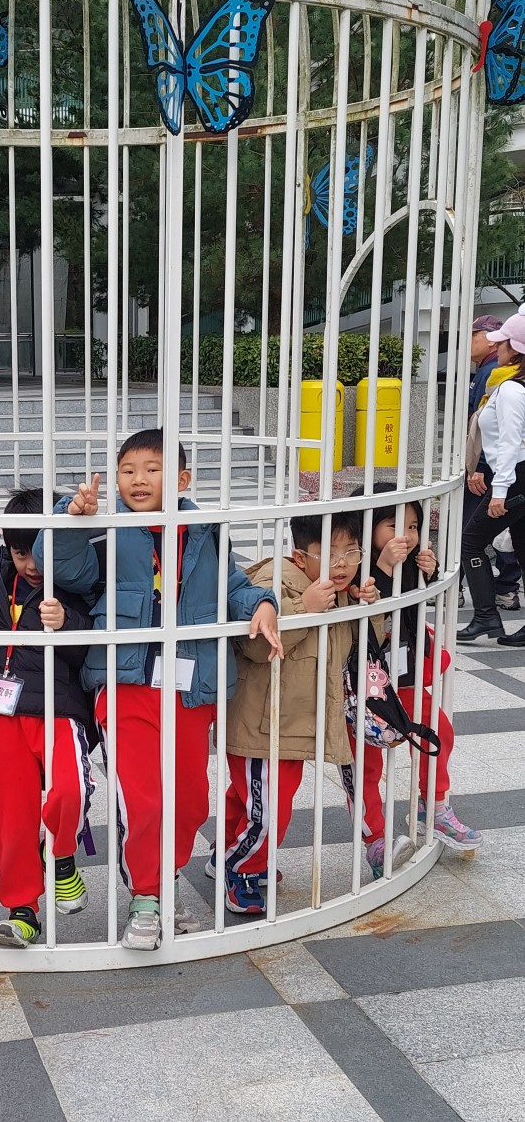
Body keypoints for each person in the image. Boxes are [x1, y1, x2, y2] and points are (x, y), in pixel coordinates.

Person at [36, 427, 283, 950]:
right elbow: (60, 566)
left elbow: (233, 586)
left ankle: (163, 879)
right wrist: (72, 517)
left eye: (153, 469)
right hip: (125, 682)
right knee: (142, 798)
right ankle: (146, 897)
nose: (138, 479)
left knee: (190, 800)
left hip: (189, 686)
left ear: (182, 479)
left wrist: (263, 604)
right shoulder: (107, 528)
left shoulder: (205, 530)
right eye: (127, 471)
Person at [219, 510, 395, 914]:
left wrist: (369, 609)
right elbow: (257, 647)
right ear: (300, 556)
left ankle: (229, 852)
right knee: (269, 809)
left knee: (254, 799)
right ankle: (242, 868)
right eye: (330, 553)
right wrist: (305, 608)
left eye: (351, 552)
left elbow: (365, 647)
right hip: (262, 724)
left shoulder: (342, 590)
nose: (342, 563)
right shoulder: (272, 583)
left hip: (295, 721)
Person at [0, 488, 95, 948]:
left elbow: (96, 642)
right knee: (11, 812)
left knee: (71, 789)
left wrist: (69, 624)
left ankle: (60, 854)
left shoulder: (76, 578)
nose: (32, 565)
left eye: (39, 551)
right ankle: (22, 911)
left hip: (57, 705)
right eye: (21, 553)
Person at [349, 484, 482, 852]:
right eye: (394, 526)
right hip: (364, 681)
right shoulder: (353, 565)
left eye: (413, 526)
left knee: (437, 730)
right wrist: (382, 568)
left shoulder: (410, 562)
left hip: (404, 673)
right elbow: (363, 615)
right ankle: (375, 838)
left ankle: (433, 806)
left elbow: (416, 605)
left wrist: (430, 573)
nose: (406, 536)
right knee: (365, 760)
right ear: (367, 525)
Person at [459, 307, 525, 643]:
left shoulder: (511, 390)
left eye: (502, 343)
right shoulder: (513, 385)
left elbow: (512, 443)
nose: (496, 347)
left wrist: (499, 491)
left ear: (516, 349)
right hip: (517, 475)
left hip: (513, 477)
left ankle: (486, 616)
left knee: (470, 542)